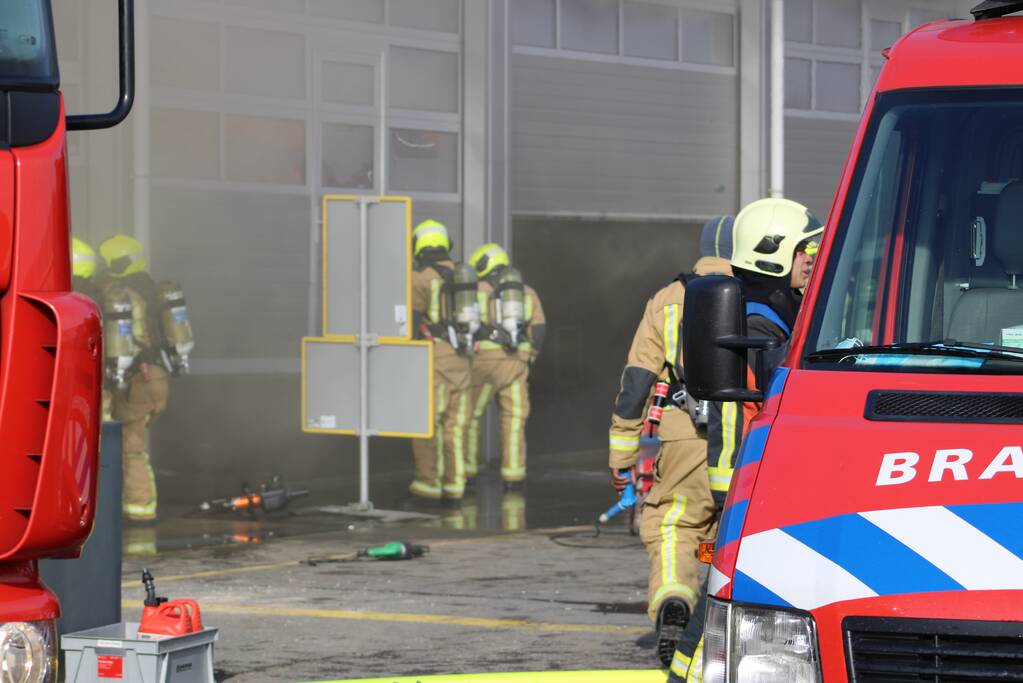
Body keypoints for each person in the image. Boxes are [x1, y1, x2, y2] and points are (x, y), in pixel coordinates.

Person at [668, 198, 822, 682]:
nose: (812, 258)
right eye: (804, 250)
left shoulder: (775, 312)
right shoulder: (758, 326)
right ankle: (684, 674)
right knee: (731, 594)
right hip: (749, 480)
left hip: (757, 479)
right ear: (773, 254)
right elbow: (758, 405)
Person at [606, 220, 738, 667]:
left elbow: (636, 381)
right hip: (752, 431)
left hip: (685, 432)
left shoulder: (666, 299)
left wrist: (622, 453)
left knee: (673, 523)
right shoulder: (761, 293)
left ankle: (673, 598)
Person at [98, 234, 171, 523]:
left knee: (128, 446)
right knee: (133, 444)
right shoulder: (151, 290)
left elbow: (126, 343)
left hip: (136, 379)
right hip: (156, 378)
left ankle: (138, 508)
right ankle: (137, 506)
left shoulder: (126, 297)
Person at [465, 243, 545, 489]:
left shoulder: (473, 291)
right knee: (513, 420)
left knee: (470, 417)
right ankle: (513, 477)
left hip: (481, 364)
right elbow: (539, 329)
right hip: (515, 364)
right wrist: (528, 357)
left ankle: (466, 474)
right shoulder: (526, 292)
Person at [409, 219, 473, 501]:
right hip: (463, 358)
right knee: (455, 426)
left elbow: (409, 322)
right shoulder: (465, 276)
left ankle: (427, 484)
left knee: (425, 423)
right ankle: (455, 486)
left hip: (434, 358)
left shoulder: (421, 278)